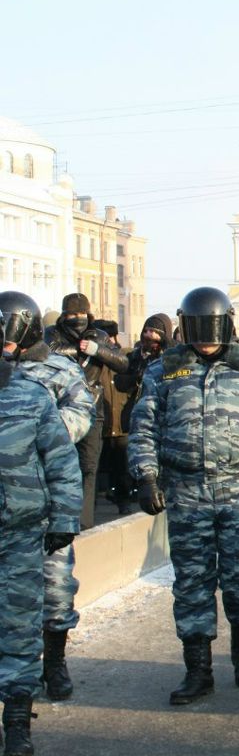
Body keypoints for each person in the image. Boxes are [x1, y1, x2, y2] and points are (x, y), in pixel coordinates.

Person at [128, 287, 239, 706]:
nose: (206, 339)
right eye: (198, 330)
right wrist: (146, 477)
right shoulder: (164, 372)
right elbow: (144, 427)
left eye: (213, 330)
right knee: (192, 583)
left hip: (238, 489)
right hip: (187, 492)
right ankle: (198, 670)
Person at [0, 290, 94, 703]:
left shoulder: (58, 368)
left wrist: (40, 432)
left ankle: (54, 661)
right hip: (12, 497)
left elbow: (81, 413)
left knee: (55, 589)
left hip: (46, 489)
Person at [45, 293, 129, 530]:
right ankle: (60, 517)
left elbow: (121, 363)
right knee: (60, 464)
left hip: (93, 408)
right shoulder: (53, 333)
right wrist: (79, 351)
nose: (77, 319)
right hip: (60, 408)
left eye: (81, 314)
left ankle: (84, 521)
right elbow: (49, 352)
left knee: (89, 466)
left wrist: (97, 350)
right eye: (71, 314)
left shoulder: (99, 336)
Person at [93, 319, 133, 515]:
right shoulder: (93, 360)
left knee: (122, 466)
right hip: (101, 422)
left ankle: (123, 500)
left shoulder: (124, 357)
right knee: (97, 465)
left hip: (120, 421)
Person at [115, 313, 174, 434]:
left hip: (166, 415)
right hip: (139, 415)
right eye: (146, 331)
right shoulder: (135, 356)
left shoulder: (173, 356)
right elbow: (120, 382)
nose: (149, 335)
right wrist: (136, 379)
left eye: (153, 331)